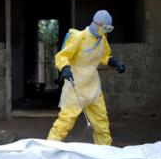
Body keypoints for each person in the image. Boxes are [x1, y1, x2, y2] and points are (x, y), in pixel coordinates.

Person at [47, 10, 125, 145]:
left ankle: (104, 152)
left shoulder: (102, 39)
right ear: (97, 24)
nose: (106, 32)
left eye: (109, 29)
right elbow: (62, 56)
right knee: (65, 123)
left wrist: (115, 63)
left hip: (93, 87)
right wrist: (65, 68)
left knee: (101, 123)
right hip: (75, 86)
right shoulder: (79, 37)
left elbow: (104, 56)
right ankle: (48, 150)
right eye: (105, 28)